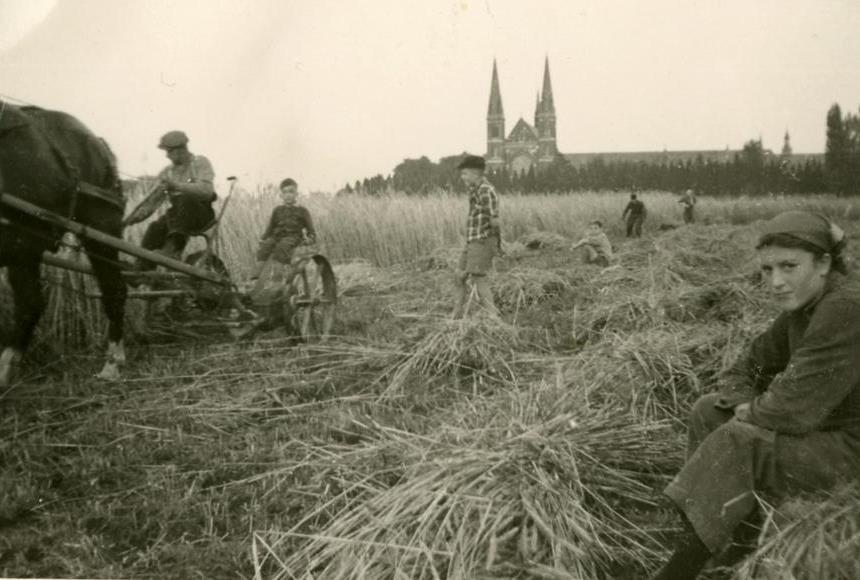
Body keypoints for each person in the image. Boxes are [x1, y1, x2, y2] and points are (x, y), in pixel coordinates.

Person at [652, 210, 860, 580]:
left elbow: (791, 409)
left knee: (738, 440)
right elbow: (746, 367)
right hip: (821, 434)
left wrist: (752, 412)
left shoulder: (845, 307)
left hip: (849, 450)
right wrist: (746, 405)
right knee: (708, 410)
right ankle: (732, 533)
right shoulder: (804, 307)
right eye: (767, 270)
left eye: (789, 266)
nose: (776, 282)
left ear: (824, 263)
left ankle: (681, 569)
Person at [126, 130, 217, 265]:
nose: (167, 156)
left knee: (186, 200)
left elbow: (207, 191)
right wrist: (132, 218)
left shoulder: (200, 162)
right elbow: (153, 202)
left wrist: (176, 186)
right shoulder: (167, 172)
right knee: (155, 227)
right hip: (176, 216)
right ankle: (142, 266)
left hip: (200, 214)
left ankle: (173, 250)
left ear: (182, 149)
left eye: (170, 151)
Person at [452, 155, 500, 319]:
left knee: (479, 277)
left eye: (465, 174)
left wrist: (495, 244)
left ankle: (493, 317)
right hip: (472, 240)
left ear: (475, 173)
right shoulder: (475, 190)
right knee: (459, 275)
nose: (462, 177)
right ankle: (456, 314)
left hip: (482, 240)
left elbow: (494, 220)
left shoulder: (487, 190)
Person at [251, 178, 316, 280]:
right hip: (276, 236)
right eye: (285, 192)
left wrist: (310, 239)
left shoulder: (302, 211)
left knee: (281, 247)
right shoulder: (277, 210)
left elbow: (311, 231)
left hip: (293, 237)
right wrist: (263, 239)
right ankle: (256, 276)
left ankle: (277, 279)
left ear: (296, 194)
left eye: (291, 191)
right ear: (281, 195)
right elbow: (270, 228)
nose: (288, 195)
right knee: (265, 246)